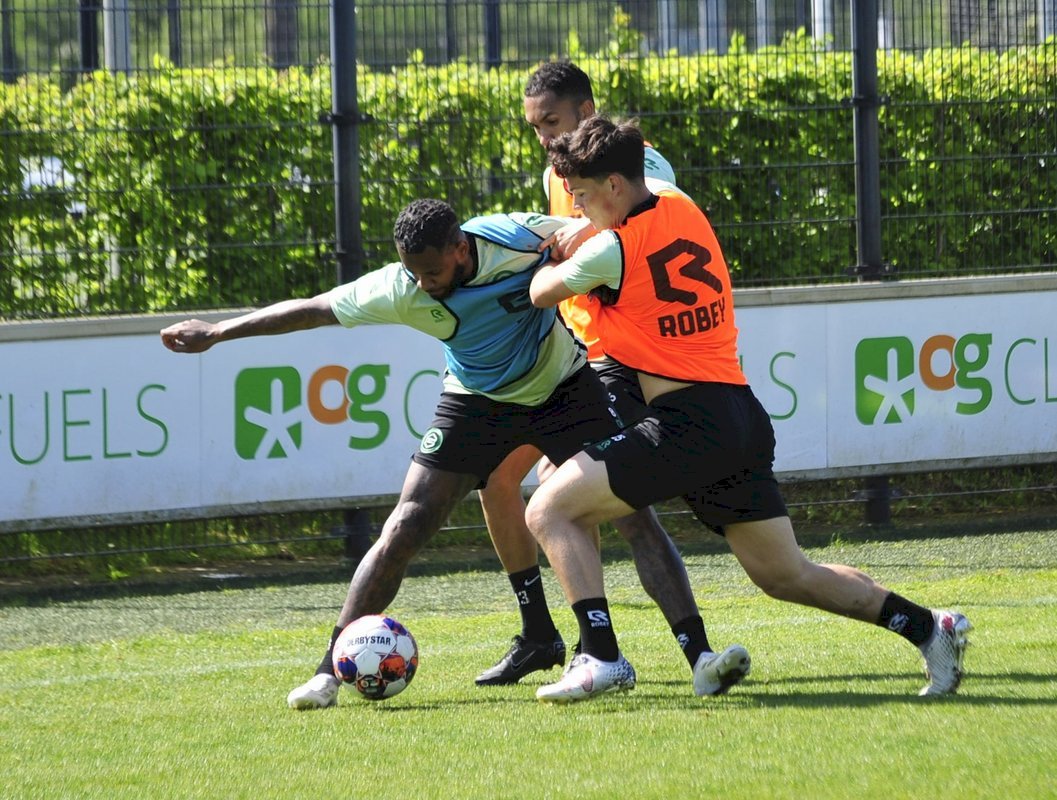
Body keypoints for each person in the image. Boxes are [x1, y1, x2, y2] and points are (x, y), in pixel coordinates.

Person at [523, 115, 973, 702]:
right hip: (737, 415)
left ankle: (601, 657)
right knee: (786, 574)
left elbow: (541, 293)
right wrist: (586, 226)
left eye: (582, 196)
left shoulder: (612, 250)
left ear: (613, 185)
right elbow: (638, 210)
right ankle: (929, 627)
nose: (578, 209)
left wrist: (553, 251)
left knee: (548, 510)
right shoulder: (680, 203)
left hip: (683, 424)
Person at [161, 199, 627, 710]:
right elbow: (314, 308)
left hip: (561, 387)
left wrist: (584, 230)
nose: (422, 283)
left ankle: (665, 649)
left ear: (459, 249)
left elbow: (614, 228)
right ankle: (327, 672)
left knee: (631, 512)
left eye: (431, 272)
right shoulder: (400, 285)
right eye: (413, 272)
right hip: (475, 400)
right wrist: (219, 332)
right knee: (406, 522)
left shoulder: (513, 237)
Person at [474, 61, 748, 697]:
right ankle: (555, 637)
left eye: (552, 121)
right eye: (534, 125)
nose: (543, 135)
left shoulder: (640, 165)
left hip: (617, 363)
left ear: (586, 110)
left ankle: (622, 651)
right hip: (570, 355)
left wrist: (572, 239)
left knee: (597, 503)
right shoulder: (557, 173)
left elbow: (641, 217)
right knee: (507, 480)